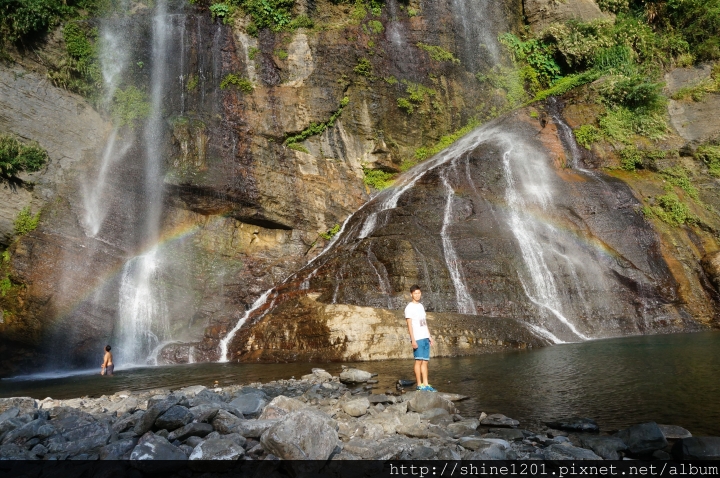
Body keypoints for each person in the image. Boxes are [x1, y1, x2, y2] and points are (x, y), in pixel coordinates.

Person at [404, 284, 436, 391]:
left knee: (425, 361)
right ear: (411, 294)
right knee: (418, 361)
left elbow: (424, 323)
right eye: (415, 293)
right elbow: (409, 325)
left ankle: (426, 384)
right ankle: (419, 384)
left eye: (418, 293)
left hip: (425, 337)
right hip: (417, 338)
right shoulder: (409, 308)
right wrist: (412, 339)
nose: (417, 295)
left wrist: (429, 336)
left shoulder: (421, 306)